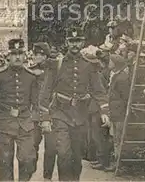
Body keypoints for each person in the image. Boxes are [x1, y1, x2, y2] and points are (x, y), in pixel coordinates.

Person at [39, 28, 110, 181]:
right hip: (60, 113)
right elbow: (45, 92)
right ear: (67, 42)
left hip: (81, 115)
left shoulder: (89, 65)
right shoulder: (56, 64)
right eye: (71, 41)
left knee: (77, 156)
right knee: (63, 153)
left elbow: (99, 90)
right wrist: (45, 117)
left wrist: (105, 111)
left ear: (82, 42)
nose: (75, 45)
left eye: (78, 41)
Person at [0, 39, 39, 181]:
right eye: (14, 54)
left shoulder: (31, 76)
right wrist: (1, 113)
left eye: (20, 53)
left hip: (25, 123)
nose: (17, 57)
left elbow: (35, 100)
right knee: (4, 161)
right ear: (8, 56)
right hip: (4, 123)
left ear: (25, 56)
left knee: (28, 159)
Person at [26, 42, 58, 181]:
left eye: (41, 54)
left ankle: (47, 177)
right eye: (36, 54)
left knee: (51, 148)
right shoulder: (31, 71)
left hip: (51, 114)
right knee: (32, 145)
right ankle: (30, 169)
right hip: (34, 114)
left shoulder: (54, 70)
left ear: (46, 55)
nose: (38, 56)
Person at [107, 54, 131, 169]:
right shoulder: (116, 76)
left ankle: (120, 164)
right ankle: (117, 163)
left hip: (119, 113)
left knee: (119, 139)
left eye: (110, 61)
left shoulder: (121, 78)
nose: (109, 63)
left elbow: (125, 97)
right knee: (115, 138)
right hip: (115, 112)